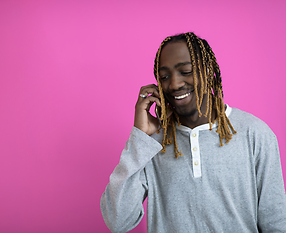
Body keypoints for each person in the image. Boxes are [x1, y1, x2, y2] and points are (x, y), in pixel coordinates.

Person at [100, 32, 286, 232]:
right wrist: (140, 137)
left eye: (185, 71)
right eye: (164, 76)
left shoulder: (255, 133)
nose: (174, 84)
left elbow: (275, 222)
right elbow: (117, 221)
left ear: (207, 71)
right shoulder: (151, 144)